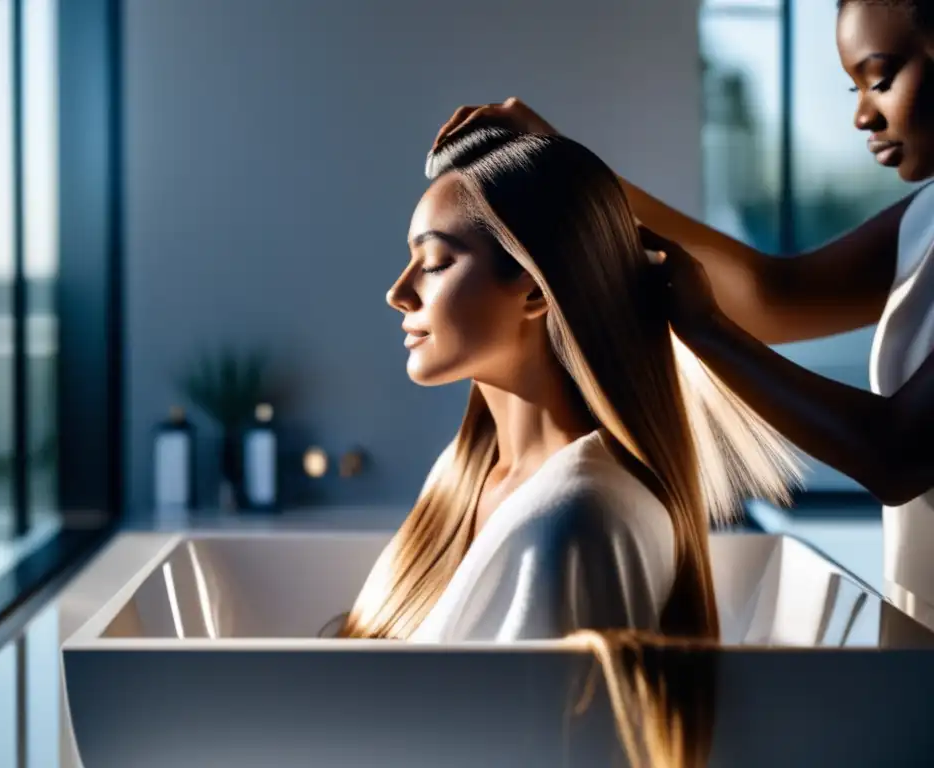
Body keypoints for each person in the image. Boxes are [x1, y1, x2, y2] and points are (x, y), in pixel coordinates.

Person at [429, 2, 934, 624]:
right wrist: (573, 175)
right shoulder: (925, 220)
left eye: (880, 78)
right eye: (853, 86)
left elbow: (899, 454)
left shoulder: (586, 513)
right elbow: (773, 295)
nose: (861, 115)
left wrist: (707, 332)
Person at [338, 119, 801, 644]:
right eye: (411, 259)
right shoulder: (466, 472)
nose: (399, 292)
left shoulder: (581, 521)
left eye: (437, 262)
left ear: (536, 292)